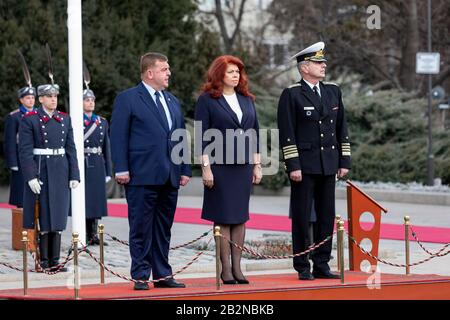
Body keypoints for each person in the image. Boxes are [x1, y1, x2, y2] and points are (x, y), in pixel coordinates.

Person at [110, 52, 191, 290]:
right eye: (164, 69)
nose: (169, 73)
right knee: (141, 227)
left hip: (170, 175)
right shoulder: (128, 99)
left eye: (168, 69)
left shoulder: (172, 101)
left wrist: (184, 168)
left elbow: (179, 138)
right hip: (140, 175)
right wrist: (121, 168)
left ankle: (163, 274)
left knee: (163, 228)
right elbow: (118, 136)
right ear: (150, 72)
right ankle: (141, 275)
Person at [277, 41, 351, 280]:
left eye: (324, 62)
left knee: (326, 215)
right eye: (318, 63)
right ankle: (302, 265)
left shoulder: (333, 92)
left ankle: (322, 263)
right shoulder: (292, 94)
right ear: (304, 67)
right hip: (305, 166)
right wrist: (293, 165)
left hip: (328, 164)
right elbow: (287, 133)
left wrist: (344, 161)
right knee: (301, 216)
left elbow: (342, 129)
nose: (324, 66)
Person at [195, 55, 262, 285]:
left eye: (238, 72)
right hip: (219, 166)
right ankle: (225, 269)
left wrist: (257, 164)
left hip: (242, 166)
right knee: (223, 218)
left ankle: (237, 267)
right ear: (219, 74)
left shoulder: (246, 99)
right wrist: (206, 168)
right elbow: (200, 136)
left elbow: (255, 133)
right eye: (231, 72)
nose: (236, 75)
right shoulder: (207, 100)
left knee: (240, 217)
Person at [18, 83, 80, 271]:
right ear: (41, 99)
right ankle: (43, 261)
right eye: (49, 96)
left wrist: (74, 174)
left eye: (55, 96)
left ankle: (55, 261)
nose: (53, 99)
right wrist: (30, 176)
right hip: (41, 168)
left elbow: (71, 148)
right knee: (44, 216)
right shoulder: (30, 119)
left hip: (60, 169)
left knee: (59, 215)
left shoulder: (64, 119)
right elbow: (25, 151)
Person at [82, 89, 112, 245]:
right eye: (87, 100)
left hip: (98, 163)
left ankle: (94, 234)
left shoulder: (102, 122)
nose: (90, 103)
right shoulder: (75, 120)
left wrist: (108, 170)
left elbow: (107, 147)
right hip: (84, 163)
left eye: (92, 100)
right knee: (85, 200)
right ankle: (84, 233)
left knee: (96, 200)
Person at [4, 86, 37, 208]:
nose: (31, 100)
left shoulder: (38, 114)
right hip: (20, 159)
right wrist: (13, 162)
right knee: (21, 194)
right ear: (21, 100)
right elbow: (10, 141)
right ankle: (22, 224)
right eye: (28, 98)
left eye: (33, 98)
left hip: (36, 156)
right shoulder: (14, 116)